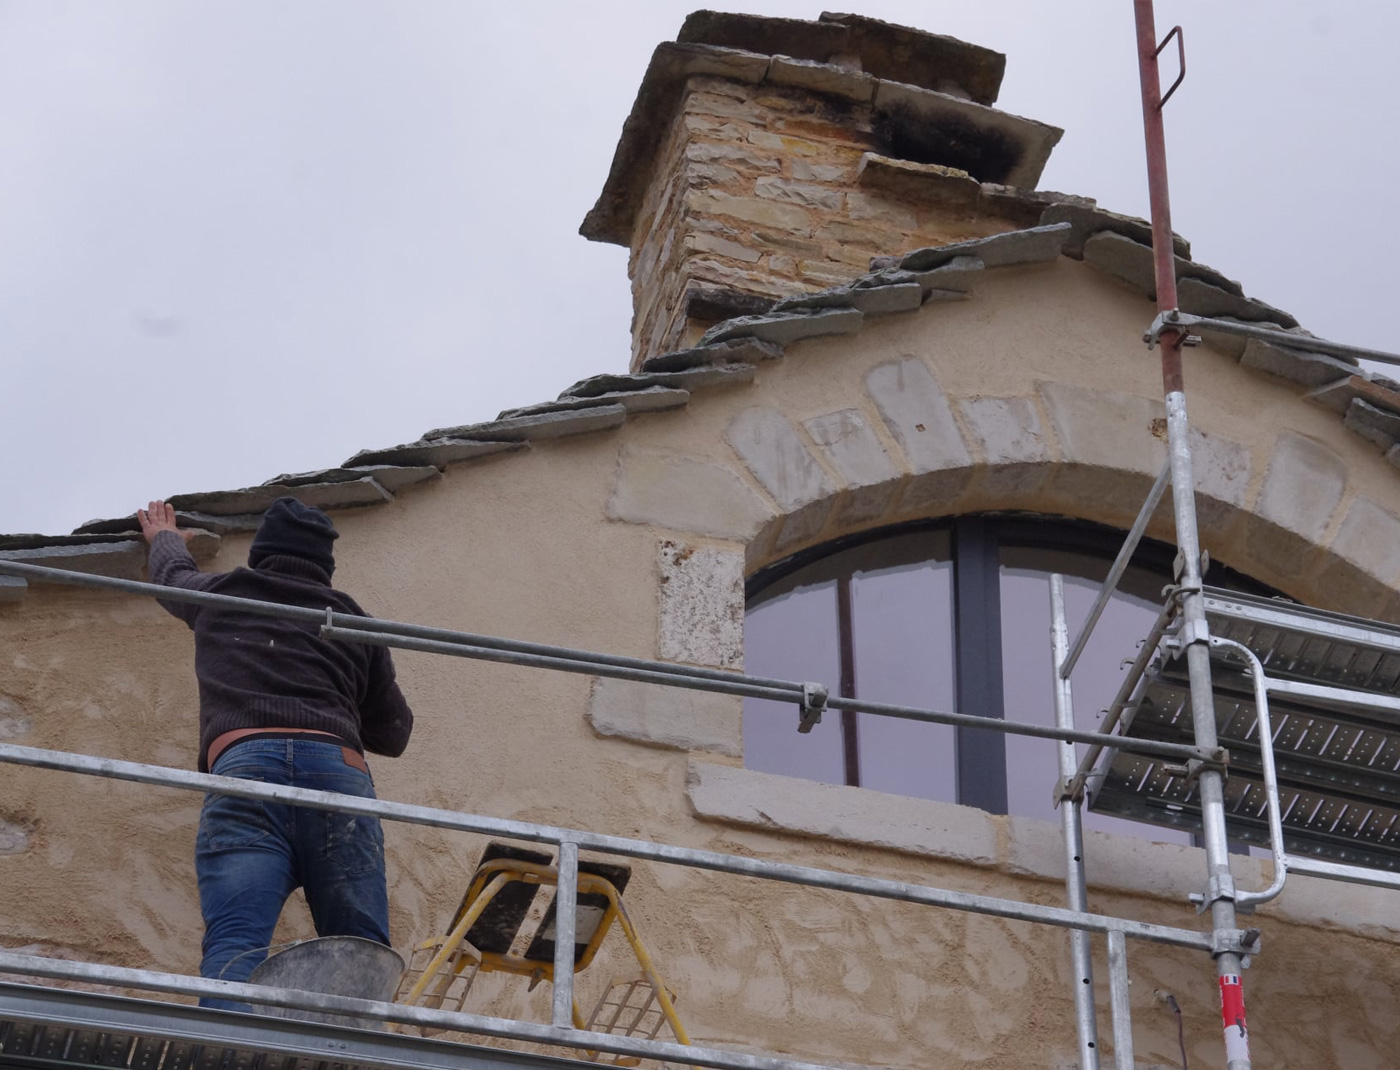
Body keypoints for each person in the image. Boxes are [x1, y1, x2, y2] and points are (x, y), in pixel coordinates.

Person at [137, 496, 414, 1011]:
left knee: (235, 944)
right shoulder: (350, 618)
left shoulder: (224, 594)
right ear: (326, 568)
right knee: (356, 946)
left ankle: (226, 1054)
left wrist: (165, 538)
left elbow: (171, 578)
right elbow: (394, 733)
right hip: (338, 775)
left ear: (261, 554)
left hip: (244, 767)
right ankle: (349, 1059)